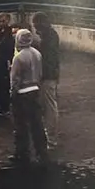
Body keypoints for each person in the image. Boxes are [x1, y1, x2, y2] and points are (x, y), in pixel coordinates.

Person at [9, 29, 48, 164]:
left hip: (22, 93)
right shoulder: (37, 54)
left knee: (21, 125)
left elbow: (14, 80)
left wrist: (12, 94)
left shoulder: (18, 58)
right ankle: (41, 151)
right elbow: (40, 74)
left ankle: (22, 152)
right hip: (35, 90)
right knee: (37, 123)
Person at [31, 12, 61, 149]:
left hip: (47, 76)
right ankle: (50, 136)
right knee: (48, 106)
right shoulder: (51, 35)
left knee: (49, 107)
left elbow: (47, 58)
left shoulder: (48, 38)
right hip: (50, 75)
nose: (35, 28)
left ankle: (51, 139)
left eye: (35, 25)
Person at [0, 12, 15, 117]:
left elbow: (5, 46)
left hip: (5, 61)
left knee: (5, 86)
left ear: (8, 21)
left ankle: (6, 108)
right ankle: (2, 107)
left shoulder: (9, 33)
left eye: (3, 21)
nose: (1, 23)